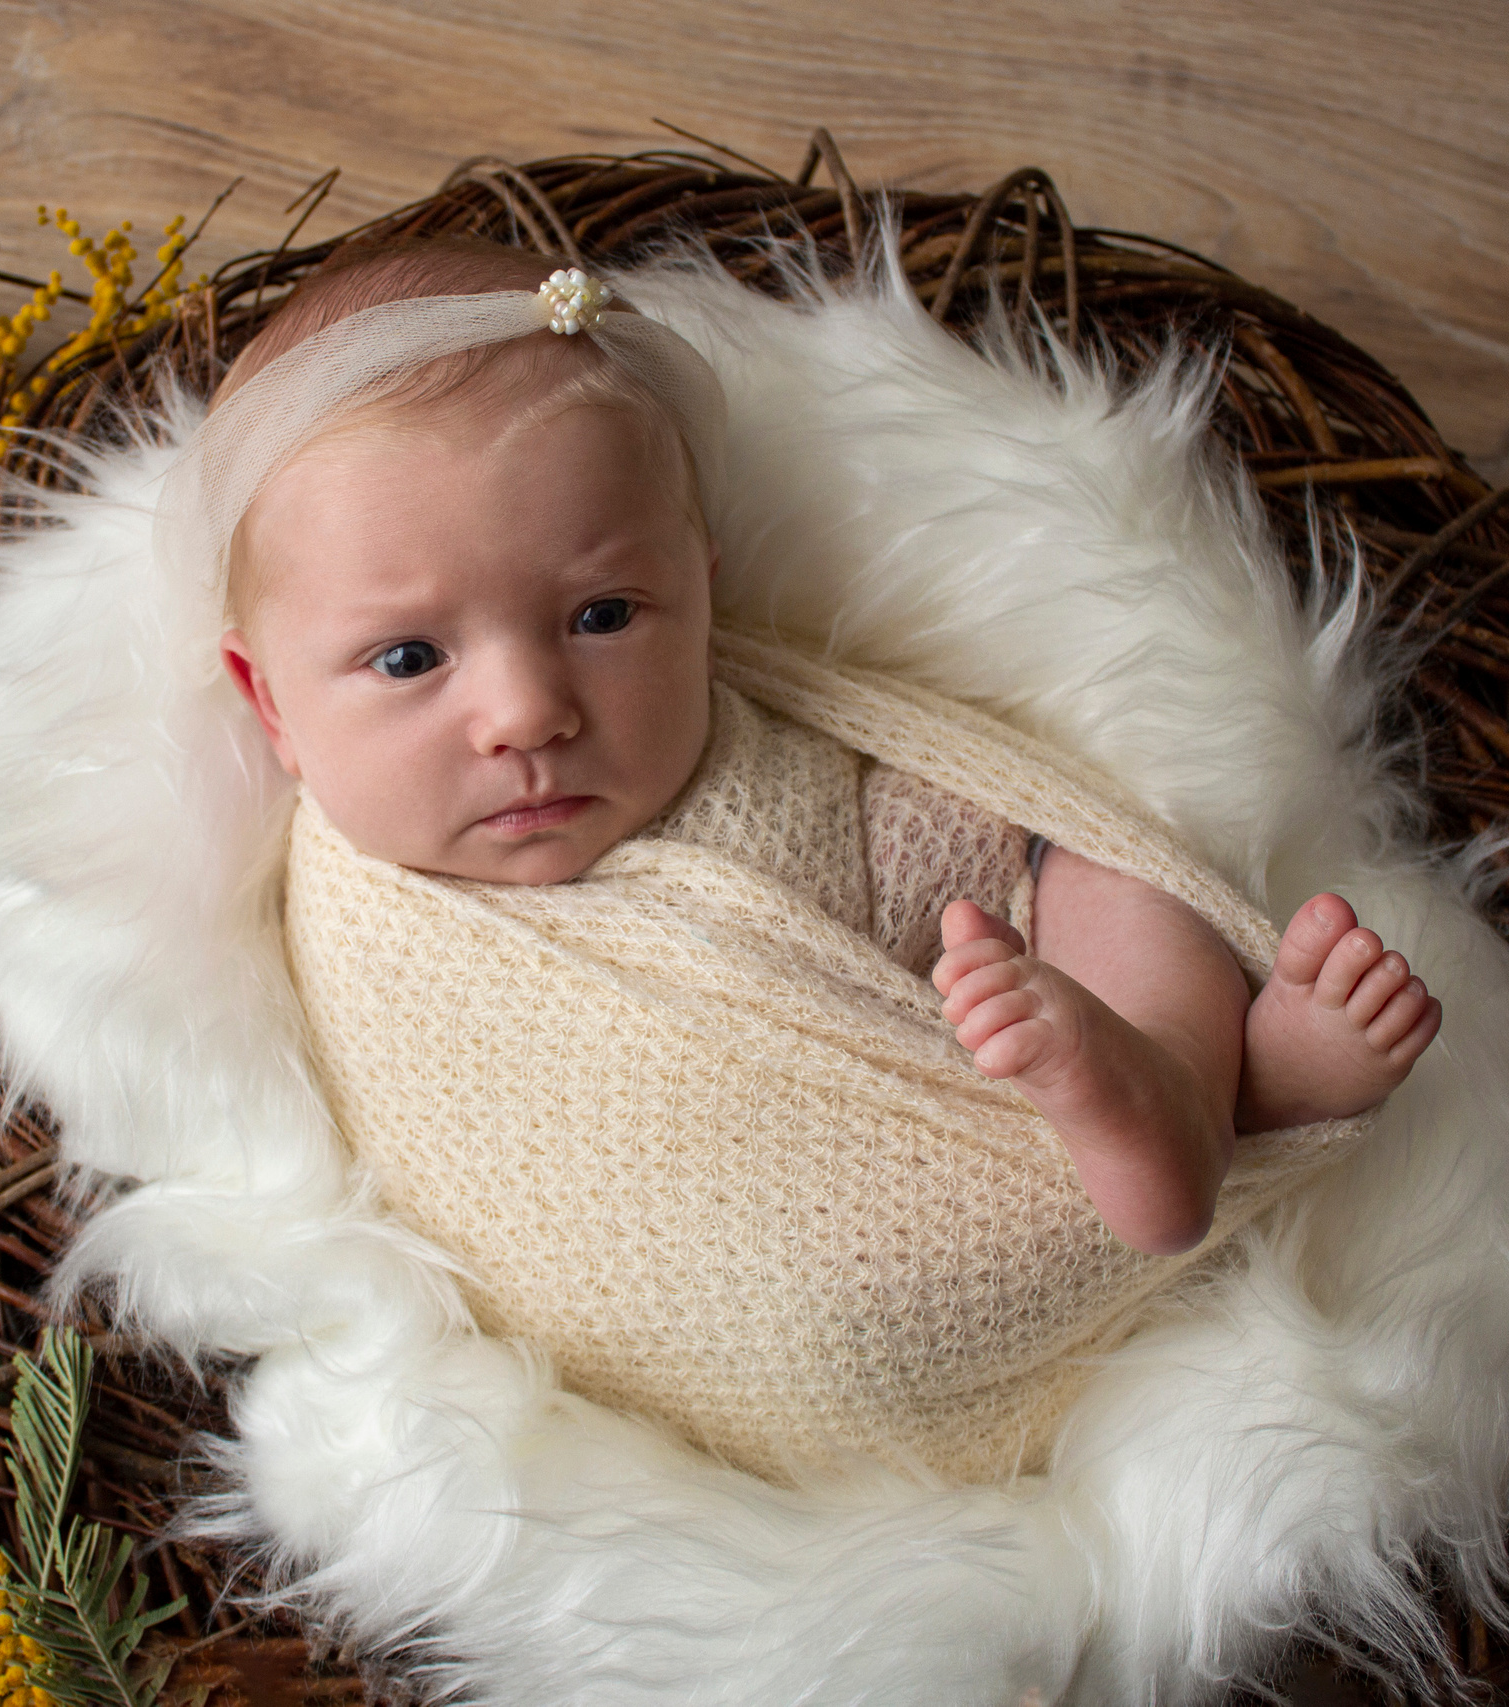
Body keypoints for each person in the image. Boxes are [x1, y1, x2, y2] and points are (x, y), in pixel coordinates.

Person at [203, 239, 1439, 1266]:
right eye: (410, 659)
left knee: (1101, 859)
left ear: (704, 596)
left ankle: (1187, 1083)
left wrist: (1049, 940)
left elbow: (976, 857)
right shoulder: (343, 925)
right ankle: (1221, 1107)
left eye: (602, 617)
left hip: (982, 1077)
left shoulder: (768, 764)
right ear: (273, 711)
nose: (527, 713)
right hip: (723, 1284)